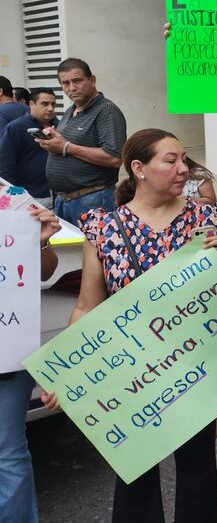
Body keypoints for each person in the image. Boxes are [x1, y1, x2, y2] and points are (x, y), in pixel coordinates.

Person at [44, 128, 217, 522]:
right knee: (134, 476)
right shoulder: (105, 228)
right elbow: (87, 306)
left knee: (199, 471)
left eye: (185, 160)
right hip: (129, 372)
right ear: (138, 169)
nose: (183, 169)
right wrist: (65, 371)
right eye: (171, 160)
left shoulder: (208, 220)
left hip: (193, 366)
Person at [0, 204, 60, 523]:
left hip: (6, 352)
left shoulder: (13, 202)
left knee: (7, 453)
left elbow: (47, 269)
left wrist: (42, 240)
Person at [39, 58, 127, 224]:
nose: (72, 88)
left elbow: (114, 158)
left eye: (77, 81)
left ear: (92, 80)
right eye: (65, 83)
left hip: (92, 200)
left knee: (96, 250)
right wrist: (53, 142)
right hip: (63, 201)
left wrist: (66, 147)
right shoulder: (70, 111)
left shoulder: (106, 111)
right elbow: (68, 145)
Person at [0, 87, 57, 207]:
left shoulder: (59, 126)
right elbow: (5, 165)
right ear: (31, 104)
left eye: (53, 104)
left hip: (59, 196)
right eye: (45, 104)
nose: (50, 108)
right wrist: (15, 196)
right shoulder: (16, 127)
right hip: (30, 196)